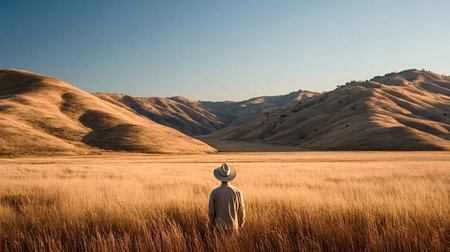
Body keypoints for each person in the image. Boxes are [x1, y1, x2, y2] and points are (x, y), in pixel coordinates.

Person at [208, 163, 245, 233]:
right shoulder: (237, 192)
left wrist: (213, 224)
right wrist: (240, 224)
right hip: (234, 226)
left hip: (219, 227)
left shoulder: (214, 192)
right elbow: (241, 211)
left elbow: (211, 213)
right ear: (230, 176)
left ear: (219, 177)